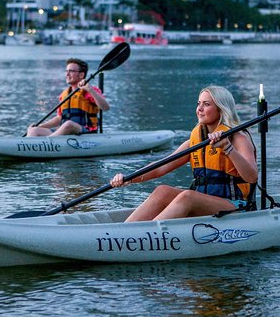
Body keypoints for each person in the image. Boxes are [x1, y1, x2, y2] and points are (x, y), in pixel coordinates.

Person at [110, 85, 257, 221]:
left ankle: (146, 236)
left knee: (188, 196)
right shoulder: (195, 142)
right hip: (204, 201)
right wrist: (130, 178)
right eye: (198, 103)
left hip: (236, 205)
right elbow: (161, 167)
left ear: (221, 109)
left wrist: (228, 149)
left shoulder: (238, 139)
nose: (199, 109)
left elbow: (252, 177)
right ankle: (124, 232)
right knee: (162, 191)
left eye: (206, 104)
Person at [26, 58, 110, 136]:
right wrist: (41, 125)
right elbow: (60, 118)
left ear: (81, 75)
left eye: (71, 71)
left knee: (69, 124)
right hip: (64, 133)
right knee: (34, 130)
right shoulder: (64, 94)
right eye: (66, 71)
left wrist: (90, 90)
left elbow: (105, 107)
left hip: (86, 131)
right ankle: (28, 147)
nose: (67, 74)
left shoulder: (91, 90)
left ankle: (47, 143)